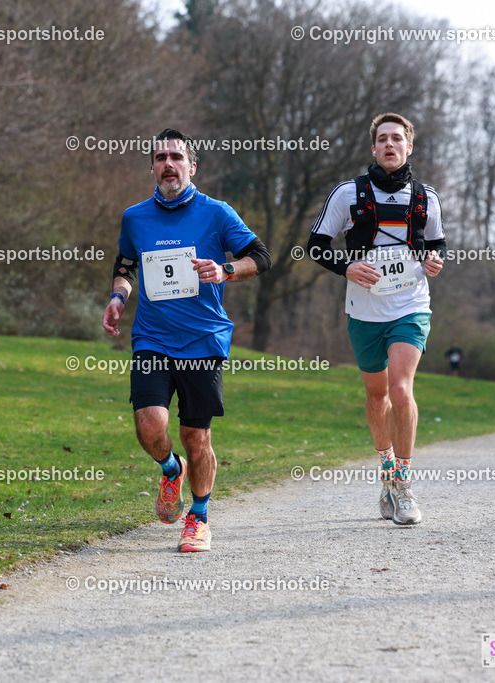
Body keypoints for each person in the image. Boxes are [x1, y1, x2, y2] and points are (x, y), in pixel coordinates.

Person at [102, 128, 271, 552]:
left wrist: (226, 270)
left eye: (176, 157)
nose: (168, 165)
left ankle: (198, 517)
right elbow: (126, 264)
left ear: (192, 166)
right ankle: (168, 468)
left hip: (203, 341)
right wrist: (118, 298)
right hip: (152, 338)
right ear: (153, 168)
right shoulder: (135, 217)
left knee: (198, 438)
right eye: (160, 158)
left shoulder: (217, 213)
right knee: (149, 423)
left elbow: (262, 257)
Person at [306, 112, 446, 525]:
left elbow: (437, 245)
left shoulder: (426, 197)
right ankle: (387, 472)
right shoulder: (348, 194)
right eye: (382, 138)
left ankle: (403, 486)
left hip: (411, 305)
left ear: (409, 146)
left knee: (401, 391)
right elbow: (316, 245)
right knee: (377, 396)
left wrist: (435, 261)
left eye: (397, 138)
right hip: (364, 310)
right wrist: (346, 267)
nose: (389, 144)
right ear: (373, 148)